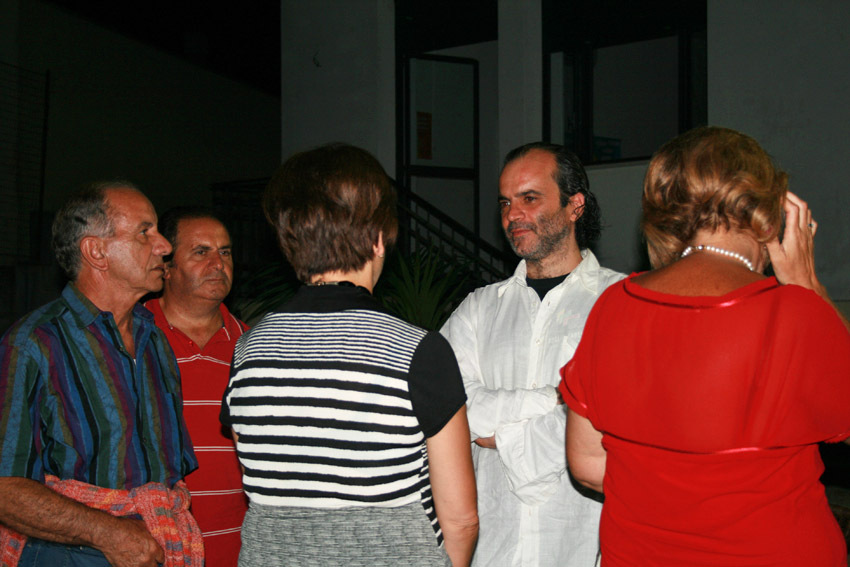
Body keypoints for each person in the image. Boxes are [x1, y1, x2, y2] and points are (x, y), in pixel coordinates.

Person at [560, 126, 850, 566]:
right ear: (768, 213)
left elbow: (586, 463)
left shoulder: (613, 306)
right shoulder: (794, 313)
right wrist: (810, 286)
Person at [220, 143, 478, 567]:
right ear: (378, 240)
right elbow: (461, 519)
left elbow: (263, 477)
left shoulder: (249, 348)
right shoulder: (417, 351)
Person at [440, 142, 624, 566]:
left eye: (529, 198)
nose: (513, 215)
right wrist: (558, 399)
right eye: (505, 202)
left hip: (581, 550)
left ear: (575, 205)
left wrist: (504, 438)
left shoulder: (620, 301)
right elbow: (448, 406)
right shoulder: (478, 309)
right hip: (492, 551)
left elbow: (615, 418)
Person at [0, 182, 201, 567]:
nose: (164, 246)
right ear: (96, 252)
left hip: (157, 547)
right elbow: (6, 488)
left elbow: (169, 471)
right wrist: (108, 533)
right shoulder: (33, 344)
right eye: (145, 232)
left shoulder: (153, 340)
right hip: (67, 555)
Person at [145, 207, 249, 567]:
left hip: (241, 549)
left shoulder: (253, 346)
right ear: (167, 267)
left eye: (225, 252)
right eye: (201, 252)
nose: (218, 264)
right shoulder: (131, 337)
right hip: (155, 549)